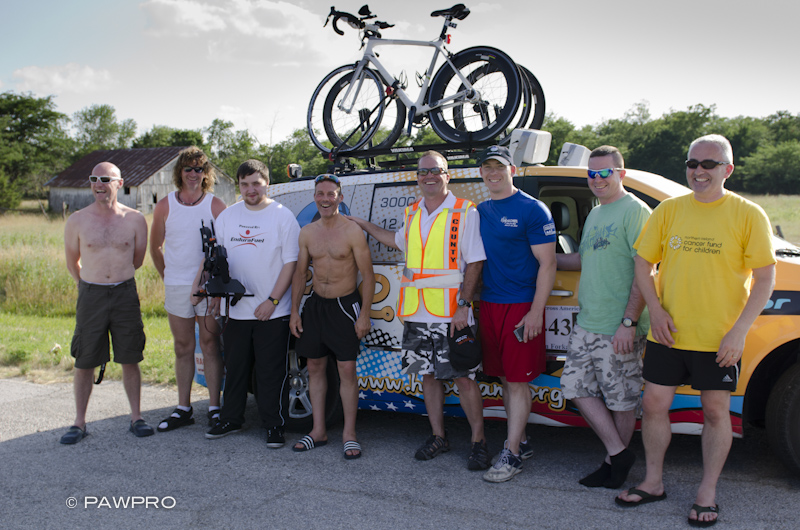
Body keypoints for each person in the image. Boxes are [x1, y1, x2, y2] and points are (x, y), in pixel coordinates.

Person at [616, 135, 776, 527]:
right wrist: (655, 311)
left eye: (709, 164)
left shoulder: (748, 214)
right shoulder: (669, 210)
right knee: (654, 405)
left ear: (728, 169)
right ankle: (653, 482)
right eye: (692, 163)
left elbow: (765, 277)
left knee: (715, 412)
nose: (699, 171)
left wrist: (739, 332)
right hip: (668, 334)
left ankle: (707, 492)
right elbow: (643, 264)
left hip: (719, 338)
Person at [348, 151, 489, 470]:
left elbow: (476, 261)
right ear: (417, 177)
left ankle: (478, 442)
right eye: (423, 171)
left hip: (451, 313)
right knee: (427, 375)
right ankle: (438, 436)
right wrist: (362, 223)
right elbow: (395, 240)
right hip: (416, 311)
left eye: (435, 171)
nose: (429, 176)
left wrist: (464, 306)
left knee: (464, 379)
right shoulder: (412, 212)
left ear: (447, 175)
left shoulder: (464, 210)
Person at [556, 146, 651, 489]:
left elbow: (646, 271)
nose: (597, 179)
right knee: (573, 386)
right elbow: (584, 259)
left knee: (621, 399)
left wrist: (628, 323)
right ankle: (618, 454)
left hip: (618, 325)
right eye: (591, 174)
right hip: (588, 322)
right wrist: (542, 257)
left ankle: (614, 467)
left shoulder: (635, 211)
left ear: (620, 174)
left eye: (604, 173)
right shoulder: (596, 213)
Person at [202, 159, 300, 449]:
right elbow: (217, 259)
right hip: (235, 311)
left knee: (271, 372)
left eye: (256, 183)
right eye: (244, 184)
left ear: (267, 183)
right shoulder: (227, 217)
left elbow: (291, 263)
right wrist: (215, 293)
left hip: (273, 311)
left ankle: (274, 425)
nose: (250, 190)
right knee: (235, 369)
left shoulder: (283, 216)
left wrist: (272, 300)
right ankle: (231, 419)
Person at [475, 145, 557, 482]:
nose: (493, 173)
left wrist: (536, 312)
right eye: (487, 167)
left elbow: (548, 264)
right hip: (489, 304)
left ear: (512, 170)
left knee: (518, 382)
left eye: (499, 167)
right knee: (506, 379)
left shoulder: (532, 209)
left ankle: (511, 455)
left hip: (521, 306)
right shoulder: (480, 210)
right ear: (481, 172)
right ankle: (520, 441)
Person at [60, 162, 153, 443]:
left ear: (119, 183)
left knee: (130, 356)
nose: (98, 184)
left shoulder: (135, 219)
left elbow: (137, 259)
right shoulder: (77, 220)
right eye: (94, 179)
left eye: (105, 179)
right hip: (92, 295)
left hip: (125, 294)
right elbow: (72, 262)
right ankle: (79, 423)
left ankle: (136, 417)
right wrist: (86, 285)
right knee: (85, 359)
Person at [289, 174, 375, 459]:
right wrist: (295, 311)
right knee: (314, 366)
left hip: (344, 306)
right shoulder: (307, 232)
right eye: (320, 193)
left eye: (330, 194)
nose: (325, 199)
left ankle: (349, 434)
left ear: (340, 197)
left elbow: (368, 275)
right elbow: (300, 273)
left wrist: (364, 314)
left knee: (346, 370)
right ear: (314, 196)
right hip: (316, 306)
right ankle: (318, 431)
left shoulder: (352, 231)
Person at [150, 146, 227, 432]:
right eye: (188, 169)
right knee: (183, 346)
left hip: (208, 288)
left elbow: (224, 249)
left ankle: (215, 407)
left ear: (206, 174)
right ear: (179, 172)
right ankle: (184, 408)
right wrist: (168, 276)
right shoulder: (165, 205)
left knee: (210, 345)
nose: (193, 174)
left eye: (199, 169)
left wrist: (214, 284)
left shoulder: (216, 205)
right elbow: (155, 247)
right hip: (177, 285)